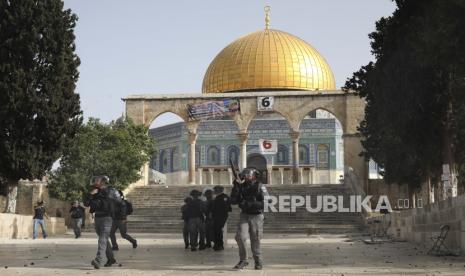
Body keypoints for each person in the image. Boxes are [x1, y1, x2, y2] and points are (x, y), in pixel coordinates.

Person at [230, 167, 270, 270]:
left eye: (249, 175)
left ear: (254, 176)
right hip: (244, 214)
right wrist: (236, 187)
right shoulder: (241, 186)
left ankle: (258, 260)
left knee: (255, 238)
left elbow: (267, 201)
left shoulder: (260, 186)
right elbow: (233, 201)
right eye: (245, 175)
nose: (246, 176)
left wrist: (249, 204)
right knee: (239, 236)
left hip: (256, 215)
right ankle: (244, 260)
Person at [85, 175, 124, 269]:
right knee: (104, 240)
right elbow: (86, 203)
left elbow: (121, 204)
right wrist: (91, 194)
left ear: (103, 181)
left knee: (102, 239)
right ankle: (111, 259)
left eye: (98, 180)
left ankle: (98, 261)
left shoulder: (112, 191)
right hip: (97, 217)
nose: (96, 182)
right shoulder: (95, 191)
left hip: (107, 218)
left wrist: (122, 217)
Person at [211, 185, 231, 251]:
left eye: (215, 190)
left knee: (218, 230)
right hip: (216, 216)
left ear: (218, 190)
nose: (214, 191)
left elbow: (226, 207)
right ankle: (217, 244)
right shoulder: (217, 197)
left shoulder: (224, 197)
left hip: (221, 216)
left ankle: (220, 245)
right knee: (216, 230)